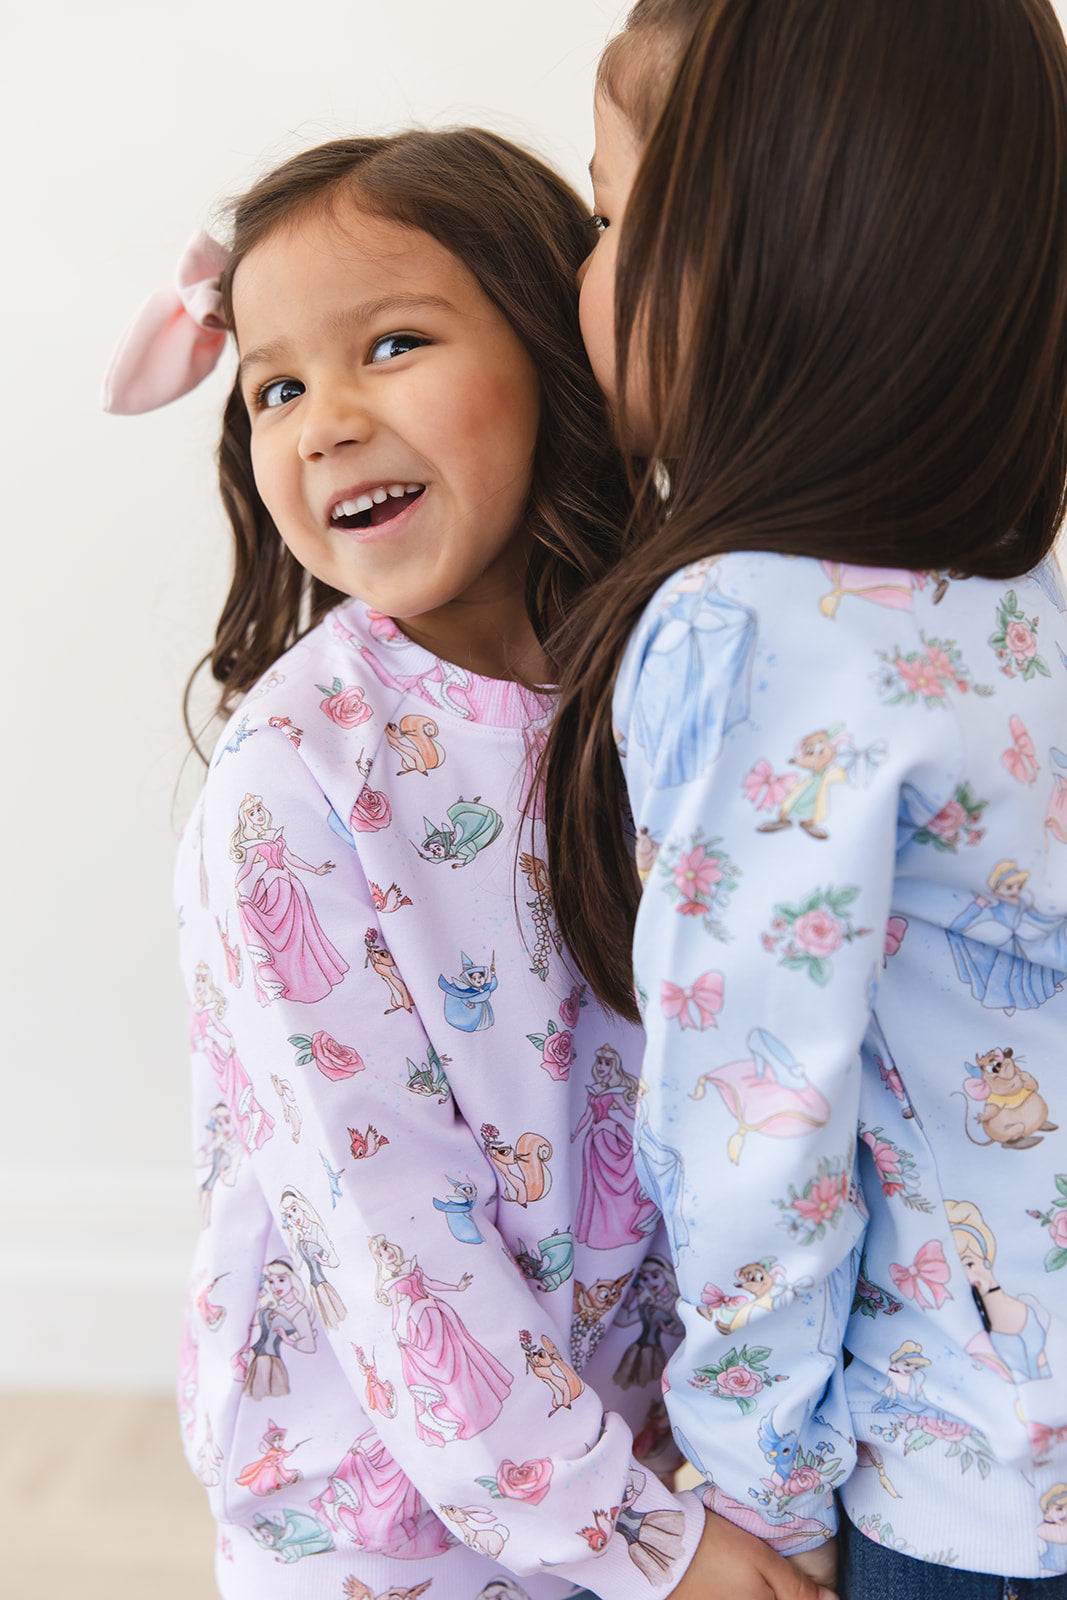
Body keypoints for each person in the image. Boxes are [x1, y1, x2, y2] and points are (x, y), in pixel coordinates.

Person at [103, 129, 829, 1600]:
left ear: (556, 351)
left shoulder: (677, 679)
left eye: (392, 345)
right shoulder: (294, 785)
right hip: (385, 1532)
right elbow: (389, 1238)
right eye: (277, 389)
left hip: (634, 1459)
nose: (325, 424)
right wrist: (644, 1541)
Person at [541, 1, 1067, 1596]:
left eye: (609, 217)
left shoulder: (750, 629)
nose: (582, 271)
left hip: (965, 1477)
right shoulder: (1014, 602)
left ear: (757, 255)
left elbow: (758, 1123)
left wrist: (756, 1495)